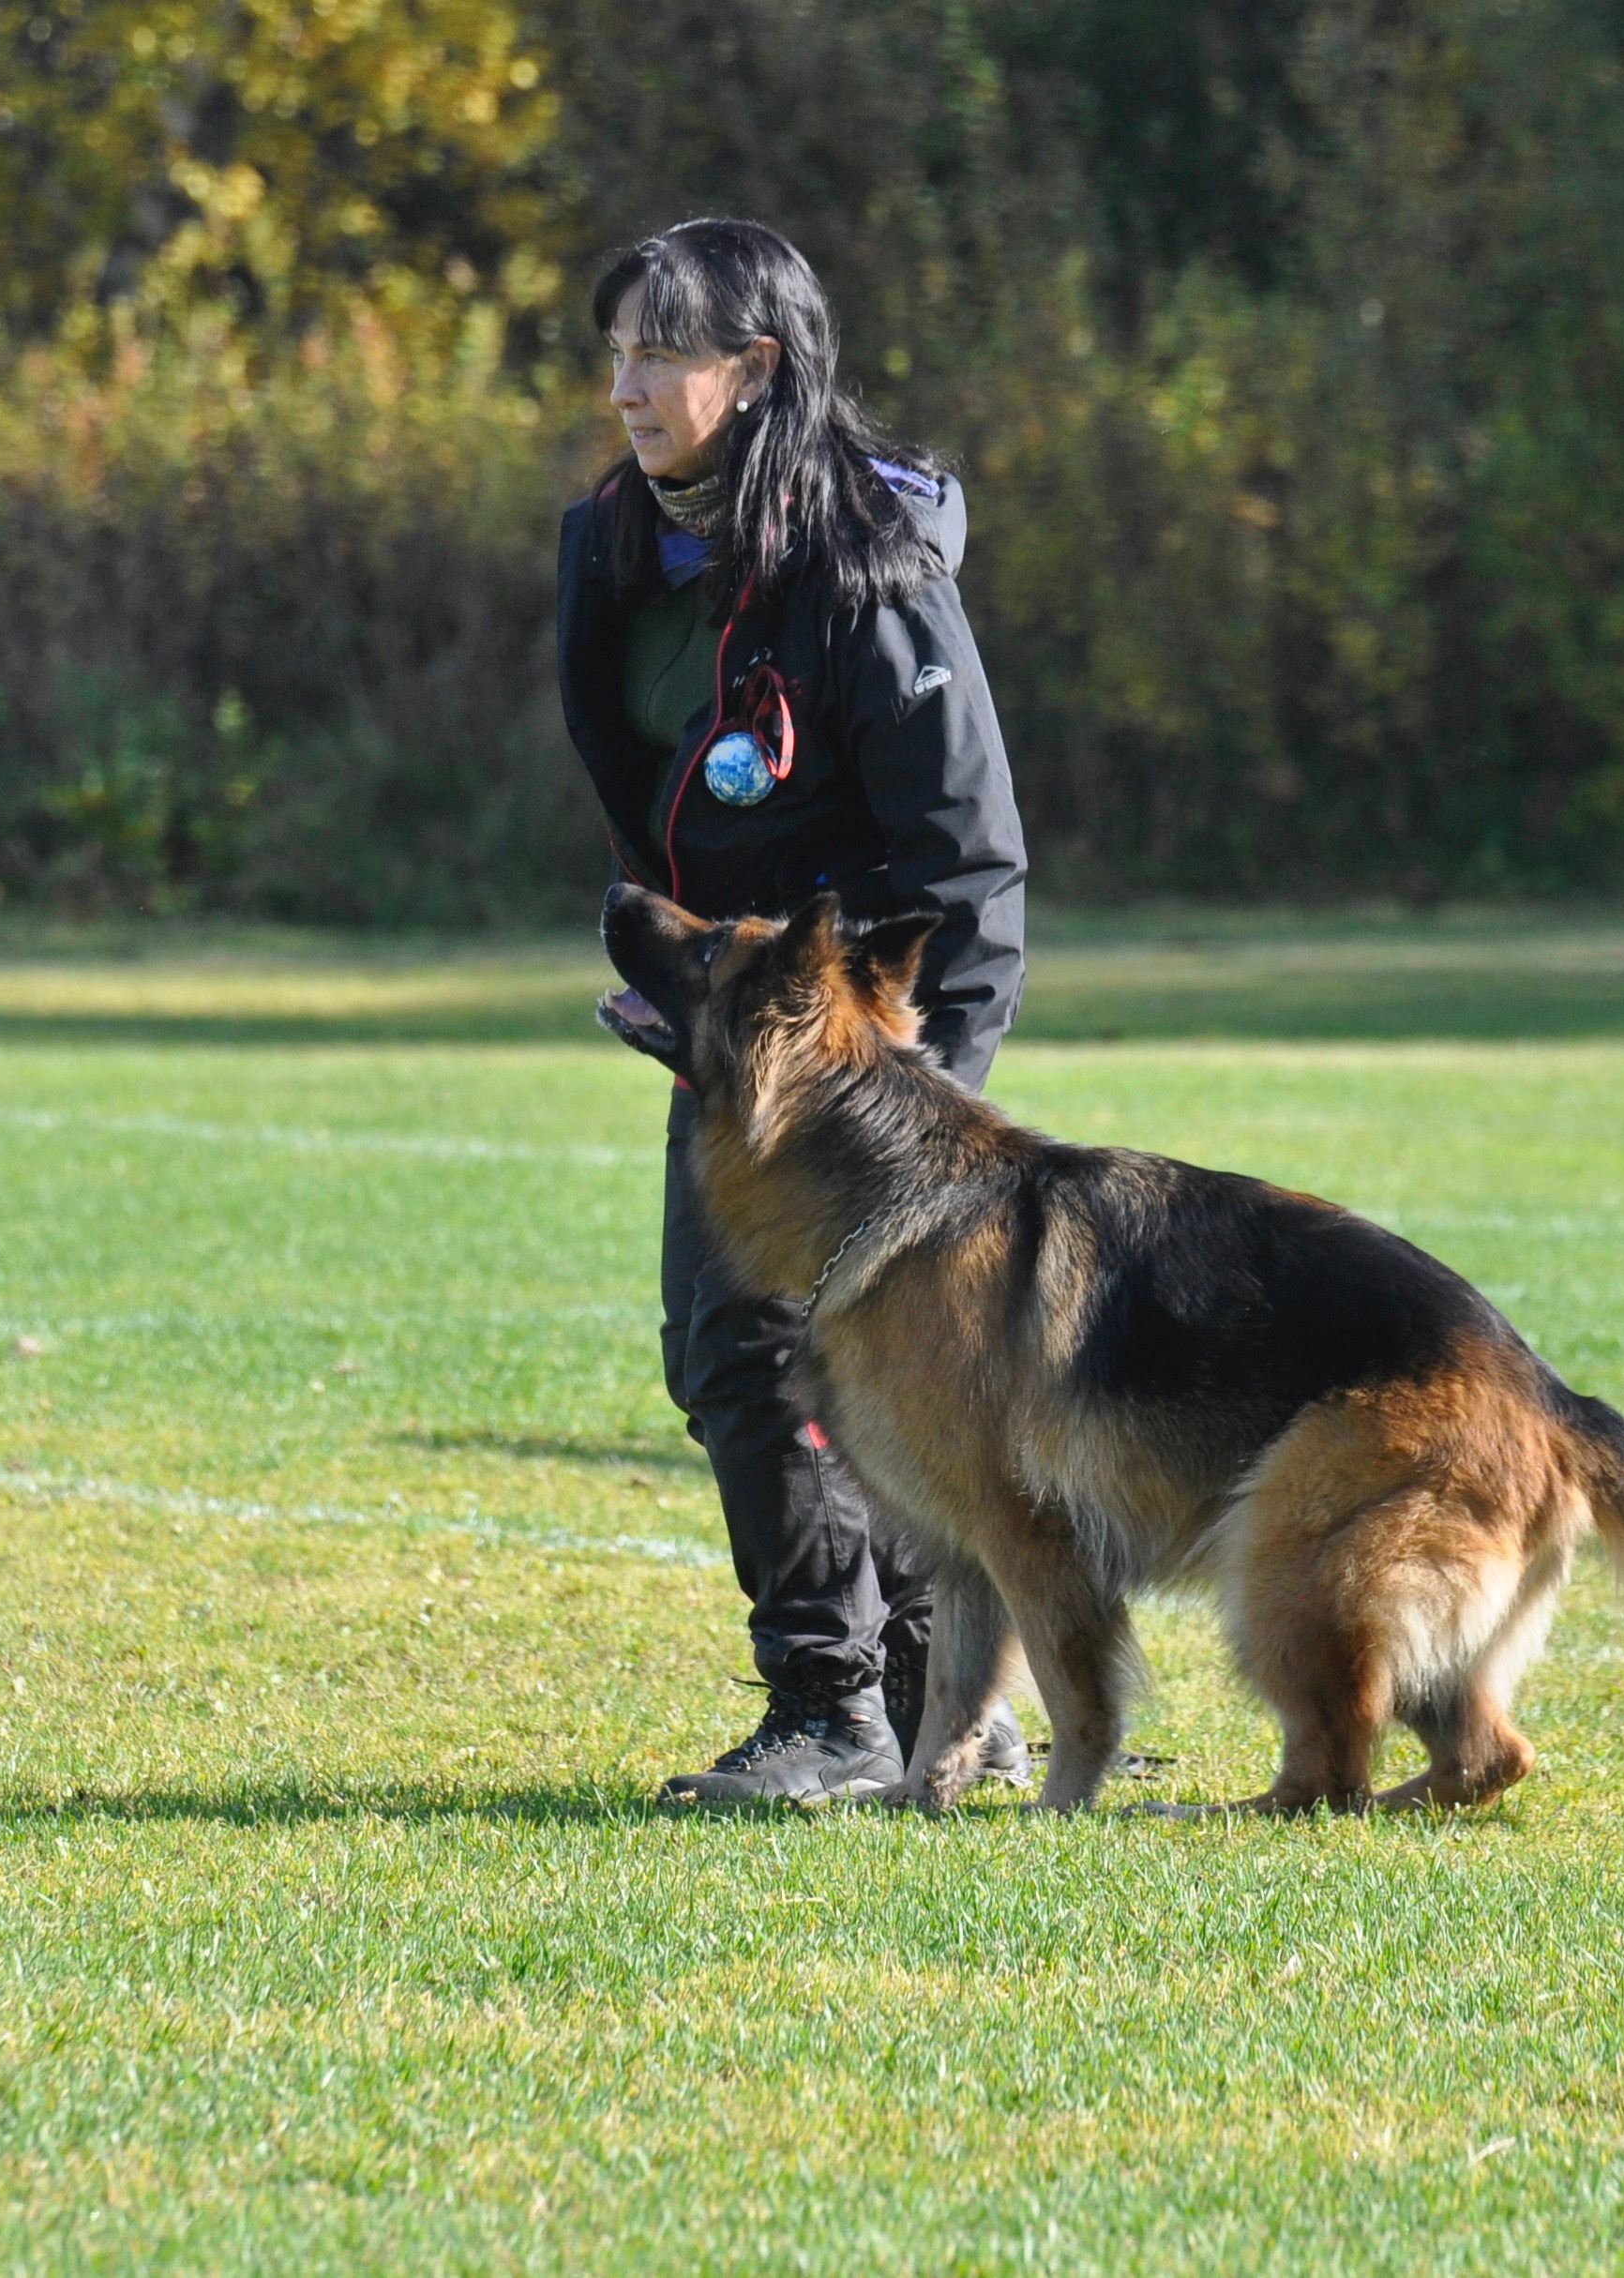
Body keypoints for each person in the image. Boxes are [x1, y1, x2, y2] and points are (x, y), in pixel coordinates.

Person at [559, 219, 1031, 1803]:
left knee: (785, 1357)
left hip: (857, 1069)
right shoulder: (616, 547)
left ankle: (855, 1711)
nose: (625, 385)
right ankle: (909, 1710)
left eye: (660, 352)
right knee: (727, 1358)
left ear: (753, 370)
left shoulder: (867, 569)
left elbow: (967, 862)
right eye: (614, 349)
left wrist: (918, 1101)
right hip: (732, 1048)